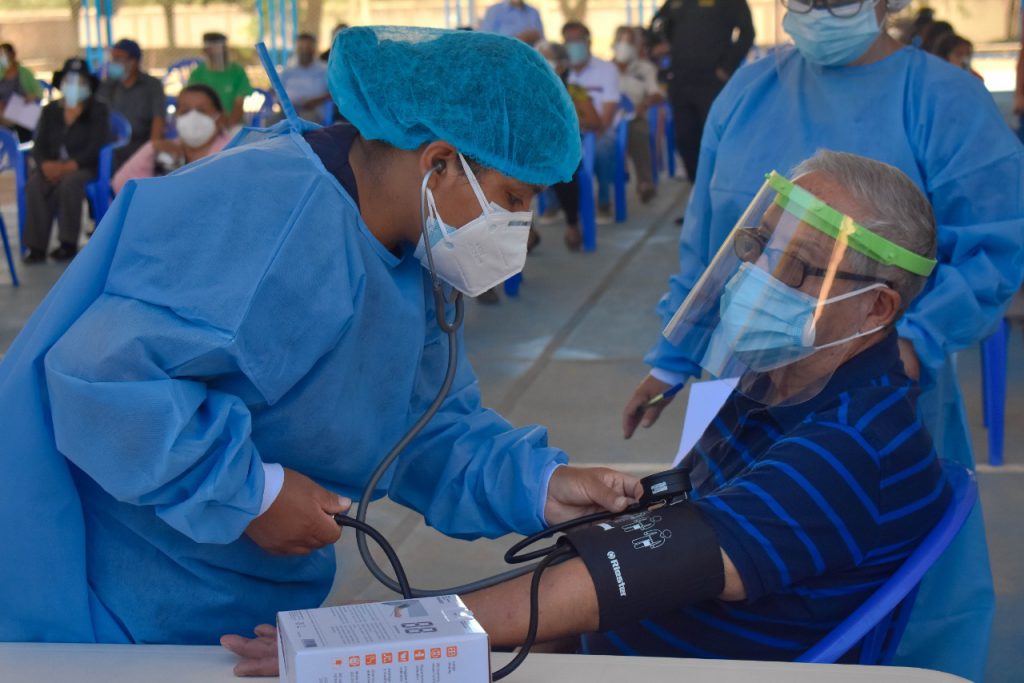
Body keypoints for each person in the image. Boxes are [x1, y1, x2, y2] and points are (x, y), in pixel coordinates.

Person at [0, 26, 638, 649]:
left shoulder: (411, 256)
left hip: (239, 603)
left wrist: (540, 486)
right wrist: (252, 494)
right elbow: (105, 377)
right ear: (439, 163)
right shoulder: (271, 211)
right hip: (119, 601)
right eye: (513, 198)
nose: (520, 225)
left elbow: (424, 430)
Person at [224, 151, 953, 674]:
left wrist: (371, 640)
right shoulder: (778, 385)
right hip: (619, 649)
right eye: (763, 248)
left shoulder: (851, 448)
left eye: (801, 267)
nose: (763, 277)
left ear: (877, 308)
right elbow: (620, 577)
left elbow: (617, 581)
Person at [623, 1, 1024, 679]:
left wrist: (915, 341)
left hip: (871, 385)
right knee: (717, 574)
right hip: (739, 380)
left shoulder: (941, 100)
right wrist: (672, 359)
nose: (813, 8)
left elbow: (995, 248)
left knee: (894, 606)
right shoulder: (748, 91)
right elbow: (711, 240)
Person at [651, 0, 753, 184]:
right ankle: (696, 187)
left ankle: (716, 187)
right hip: (680, 80)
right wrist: (657, 46)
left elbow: (747, 32)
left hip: (712, 82)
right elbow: (658, 25)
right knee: (684, 138)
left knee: (713, 138)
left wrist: (727, 67)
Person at [21, 58, 109, 264]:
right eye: (70, 81)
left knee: (70, 183)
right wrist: (45, 165)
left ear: (88, 85)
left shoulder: (98, 110)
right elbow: (39, 145)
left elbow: (96, 146)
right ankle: (36, 247)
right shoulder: (51, 110)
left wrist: (67, 167)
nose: (74, 86)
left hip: (83, 167)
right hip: (51, 165)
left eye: (80, 81)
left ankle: (67, 244)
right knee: (35, 184)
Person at [537, 40, 601, 250]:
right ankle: (524, 231)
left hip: (567, 148)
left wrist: (567, 121)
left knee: (563, 166)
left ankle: (572, 223)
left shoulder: (575, 91)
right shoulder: (530, 92)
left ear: (562, 65)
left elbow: (595, 121)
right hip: (536, 150)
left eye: (547, 58)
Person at [112, 84, 232, 193]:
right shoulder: (166, 150)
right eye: (185, 111)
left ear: (220, 118)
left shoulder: (232, 151)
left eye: (202, 111)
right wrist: (152, 148)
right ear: (176, 117)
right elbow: (120, 185)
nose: (193, 117)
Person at [562, 21, 620, 215]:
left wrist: (596, 130)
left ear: (588, 42)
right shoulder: (562, 73)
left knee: (602, 146)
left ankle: (604, 200)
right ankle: (560, 205)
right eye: (568, 41)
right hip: (570, 133)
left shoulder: (607, 69)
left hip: (600, 130)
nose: (573, 46)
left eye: (577, 40)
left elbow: (607, 115)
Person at [96, 39, 167, 169]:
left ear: (133, 62)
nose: (114, 62)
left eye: (118, 58)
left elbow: (158, 120)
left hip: (140, 144)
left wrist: (151, 151)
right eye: (113, 58)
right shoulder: (108, 85)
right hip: (112, 143)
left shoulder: (152, 86)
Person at [612, 26, 662, 203]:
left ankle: (645, 182)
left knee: (638, 131)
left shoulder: (645, 68)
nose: (625, 46)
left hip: (634, 116)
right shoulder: (606, 69)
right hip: (609, 118)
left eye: (630, 42)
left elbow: (656, 93)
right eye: (622, 41)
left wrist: (644, 104)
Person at [187, 32, 252, 128]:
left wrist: (227, 126)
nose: (211, 52)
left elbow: (239, 105)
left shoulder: (237, 71)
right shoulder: (197, 74)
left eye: (215, 48)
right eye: (208, 48)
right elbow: (193, 103)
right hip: (204, 125)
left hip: (232, 125)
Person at [0, 43, 45, 143]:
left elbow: (39, 93)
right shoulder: (0, 72)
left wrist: (31, 97)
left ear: (12, 55)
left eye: (3, 54)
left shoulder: (25, 73)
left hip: (21, 109)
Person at [281, 33, 330, 123]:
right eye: (301, 48)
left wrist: (316, 101)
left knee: (304, 123)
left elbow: (332, 94)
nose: (304, 51)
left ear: (314, 49)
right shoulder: (288, 70)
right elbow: (276, 91)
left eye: (308, 48)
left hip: (313, 111)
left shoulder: (324, 69)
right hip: (288, 111)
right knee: (270, 121)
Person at [479, 0, 545, 45]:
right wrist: (516, 39)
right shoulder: (494, 11)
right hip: (503, 58)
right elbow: (485, 41)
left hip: (529, 58)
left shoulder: (533, 12)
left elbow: (542, 41)